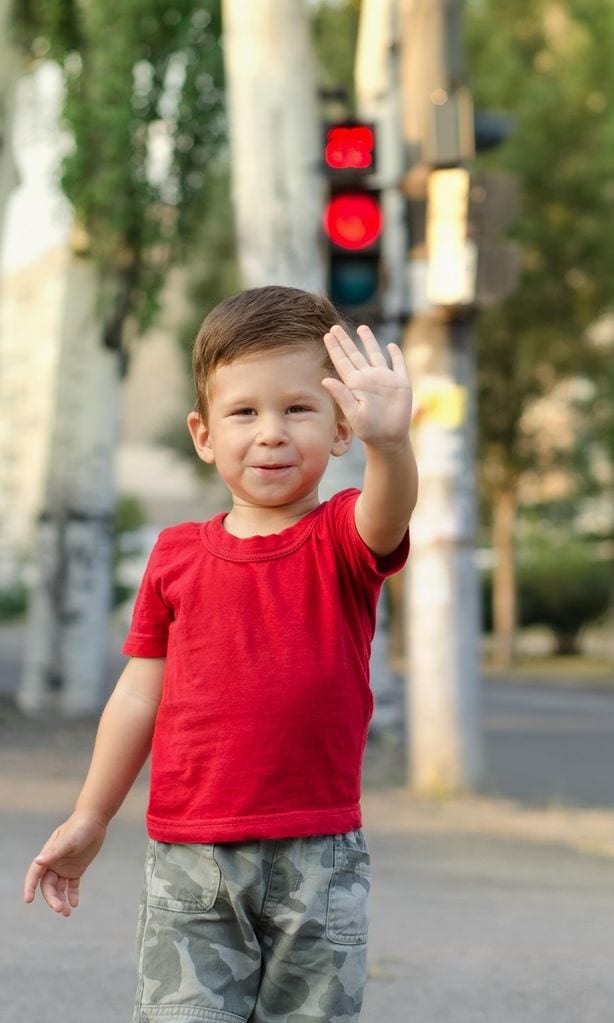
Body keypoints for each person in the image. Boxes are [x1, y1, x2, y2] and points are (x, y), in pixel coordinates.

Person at [24, 285, 418, 1023]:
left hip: (318, 856)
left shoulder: (341, 538)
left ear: (339, 429)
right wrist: (91, 814)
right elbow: (139, 696)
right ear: (204, 434)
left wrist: (390, 444)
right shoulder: (174, 558)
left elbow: (388, 511)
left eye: (298, 408)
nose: (270, 432)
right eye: (245, 411)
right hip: (190, 855)